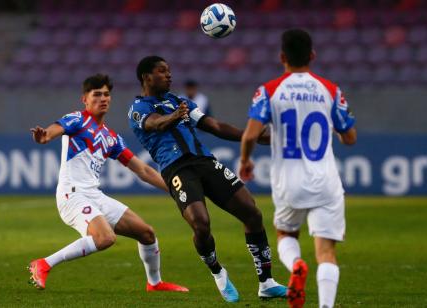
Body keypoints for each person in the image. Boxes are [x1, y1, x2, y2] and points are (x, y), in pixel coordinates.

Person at [127, 56, 287, 302]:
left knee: (252, 213)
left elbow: (213, 125)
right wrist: (173, 118)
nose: (169, 75)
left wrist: (251, 136)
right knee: (201, 223)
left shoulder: (180, 101)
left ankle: (266, 282)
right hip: (176, 169)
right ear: (146, 77)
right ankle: (218, 272)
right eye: (162, 71)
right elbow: (155, 124)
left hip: (204, 161)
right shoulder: (138, 109)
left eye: (169, 70)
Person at [27, 74, 188, 293]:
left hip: (94, 195)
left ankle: (155, 283)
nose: (103, 98)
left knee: (147, 233)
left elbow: (142, 169)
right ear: (85, 99)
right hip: (72, 195)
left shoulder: (110, 137)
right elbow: (50, 133)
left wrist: (174, 188)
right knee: (105, 238)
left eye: (106, 94)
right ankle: (44, 264)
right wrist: (44, 136)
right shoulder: (77, 119)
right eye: (97, 95)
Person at [239, 29, 357, 308]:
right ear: (312, 56)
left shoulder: (268, 91)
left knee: (285, 234)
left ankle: (296, 266)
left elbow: (249, 135)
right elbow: (350, 138)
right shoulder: (330, 90)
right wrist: (338, 130)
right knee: (327, 252)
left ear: (282, 57)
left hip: (289, 182)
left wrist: (245, 160)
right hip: (326, 181)